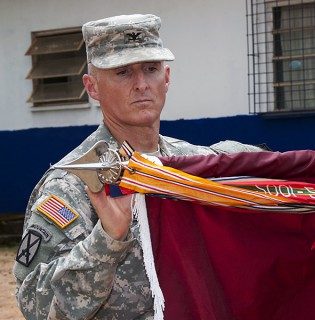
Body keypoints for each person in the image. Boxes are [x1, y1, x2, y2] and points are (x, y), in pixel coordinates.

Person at [13, 14, 265, 319]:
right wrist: (107, 239)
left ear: (167, 77)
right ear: (92, 87)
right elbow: (33, 305)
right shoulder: (72, 183)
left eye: (151, 69)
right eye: (122, 72)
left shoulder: (194, 164)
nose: (142, 84)